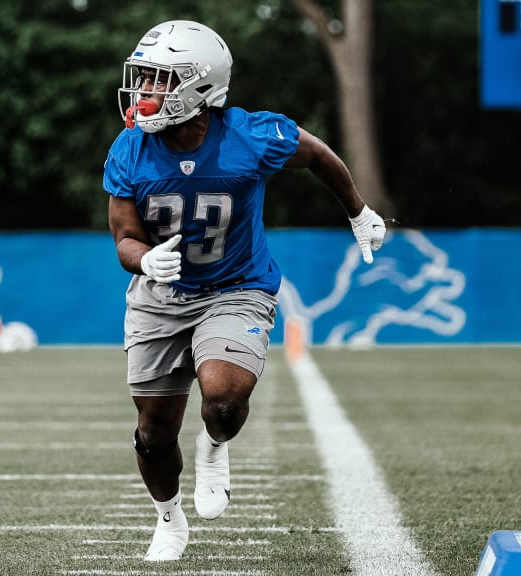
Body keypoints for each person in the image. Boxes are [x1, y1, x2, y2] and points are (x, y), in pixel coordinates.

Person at [103, 20, 387, 562]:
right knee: (154, 431)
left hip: (236, 287)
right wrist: (145, 257)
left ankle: (215, 445)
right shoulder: (130, 148)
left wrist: (359, 211)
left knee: (224, 398)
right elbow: (124, 237)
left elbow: (319, 156)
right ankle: (169, 519)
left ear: (201, 87)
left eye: (160, 79)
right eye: (142, 77)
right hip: (159, 296)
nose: (145, 91)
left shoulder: (252, 135)